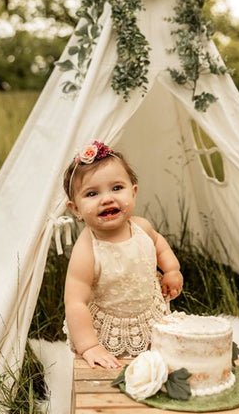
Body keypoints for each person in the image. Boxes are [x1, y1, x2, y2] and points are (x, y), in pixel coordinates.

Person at [62, 140, 183, 369]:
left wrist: (171, 269)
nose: (107, 198)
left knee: (156, 356)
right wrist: (89, 346)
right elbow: (75, 302)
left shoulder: (141, 227)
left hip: (146, 310)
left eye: (117, 188)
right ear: (76, 209)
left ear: (133, 192)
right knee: (115, 367)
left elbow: (160, 245)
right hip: (110, 325)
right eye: (92, 193)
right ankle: (101, 353)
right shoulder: (87, 250)